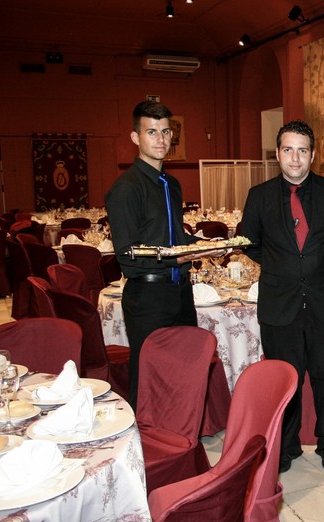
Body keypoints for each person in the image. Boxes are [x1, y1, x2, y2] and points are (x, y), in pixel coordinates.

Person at [239, 120, 324, 473]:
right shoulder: (259, 196)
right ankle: (286, 445)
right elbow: (250, 243)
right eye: (288, 150)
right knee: (284, 381)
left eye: (302, 150)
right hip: (280, 305)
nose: (295, 158)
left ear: (313, 154)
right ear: (277, 154)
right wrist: (285, 266)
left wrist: (317, 267)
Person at [106, 100, 216, 409]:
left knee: (186, 371)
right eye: (151, 132)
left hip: (180, 292)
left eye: (165, 132)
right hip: (147, 297)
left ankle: (182, 433)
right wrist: (175, 259)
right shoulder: (126, 188)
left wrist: (205, 245)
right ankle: (145, 435)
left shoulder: (171, 184)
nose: (161, 139)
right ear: (135, 137)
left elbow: (175, 239)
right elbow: (126, 255)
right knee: (150, 377)